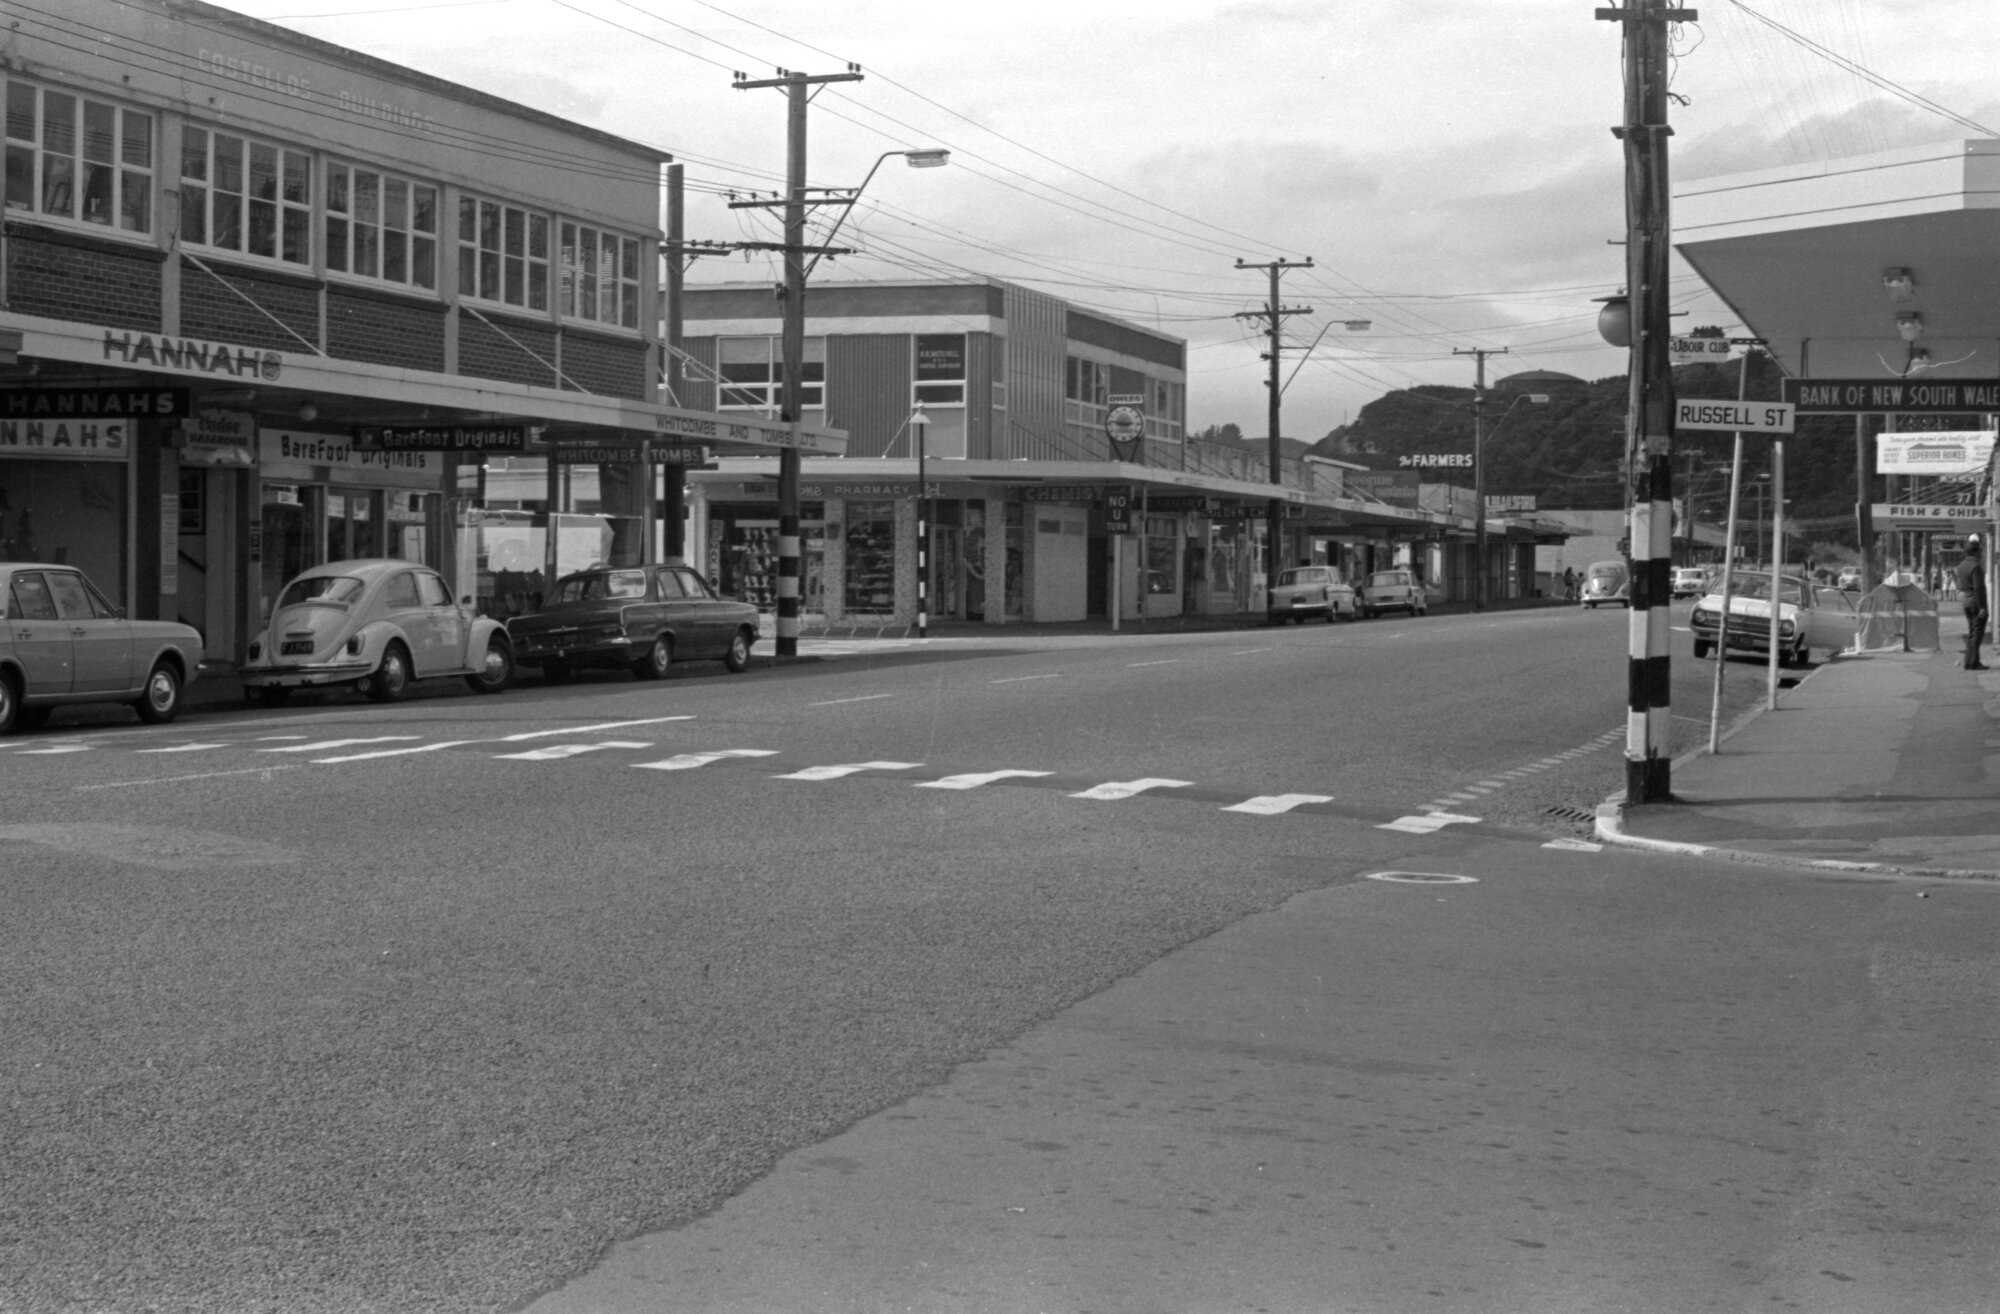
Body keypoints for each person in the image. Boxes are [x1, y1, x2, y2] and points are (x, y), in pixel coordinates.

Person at [1955, 536, 1987, 670]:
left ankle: (1972, 661)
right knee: (1977, 634)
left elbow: (1960, 585)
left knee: (1972, 632)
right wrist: (1982, 608)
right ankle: (1972, 662)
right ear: (1977, 552)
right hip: (1975, 602)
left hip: (1966, 601)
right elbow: (1978, 587)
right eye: (1980, 551)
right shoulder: (1976, 567)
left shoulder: (1961, 566)